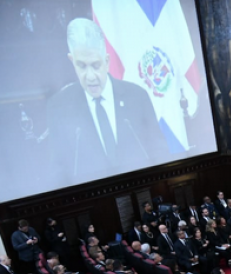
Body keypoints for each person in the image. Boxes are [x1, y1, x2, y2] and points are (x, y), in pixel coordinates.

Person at [47, 18, 168, 182]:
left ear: (107, 61)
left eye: (95, 65)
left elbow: (159, 152)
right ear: (71, 60)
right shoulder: (59, 107)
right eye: (81, 66)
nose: (90, 76)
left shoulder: (137, 96)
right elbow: (58, 171)